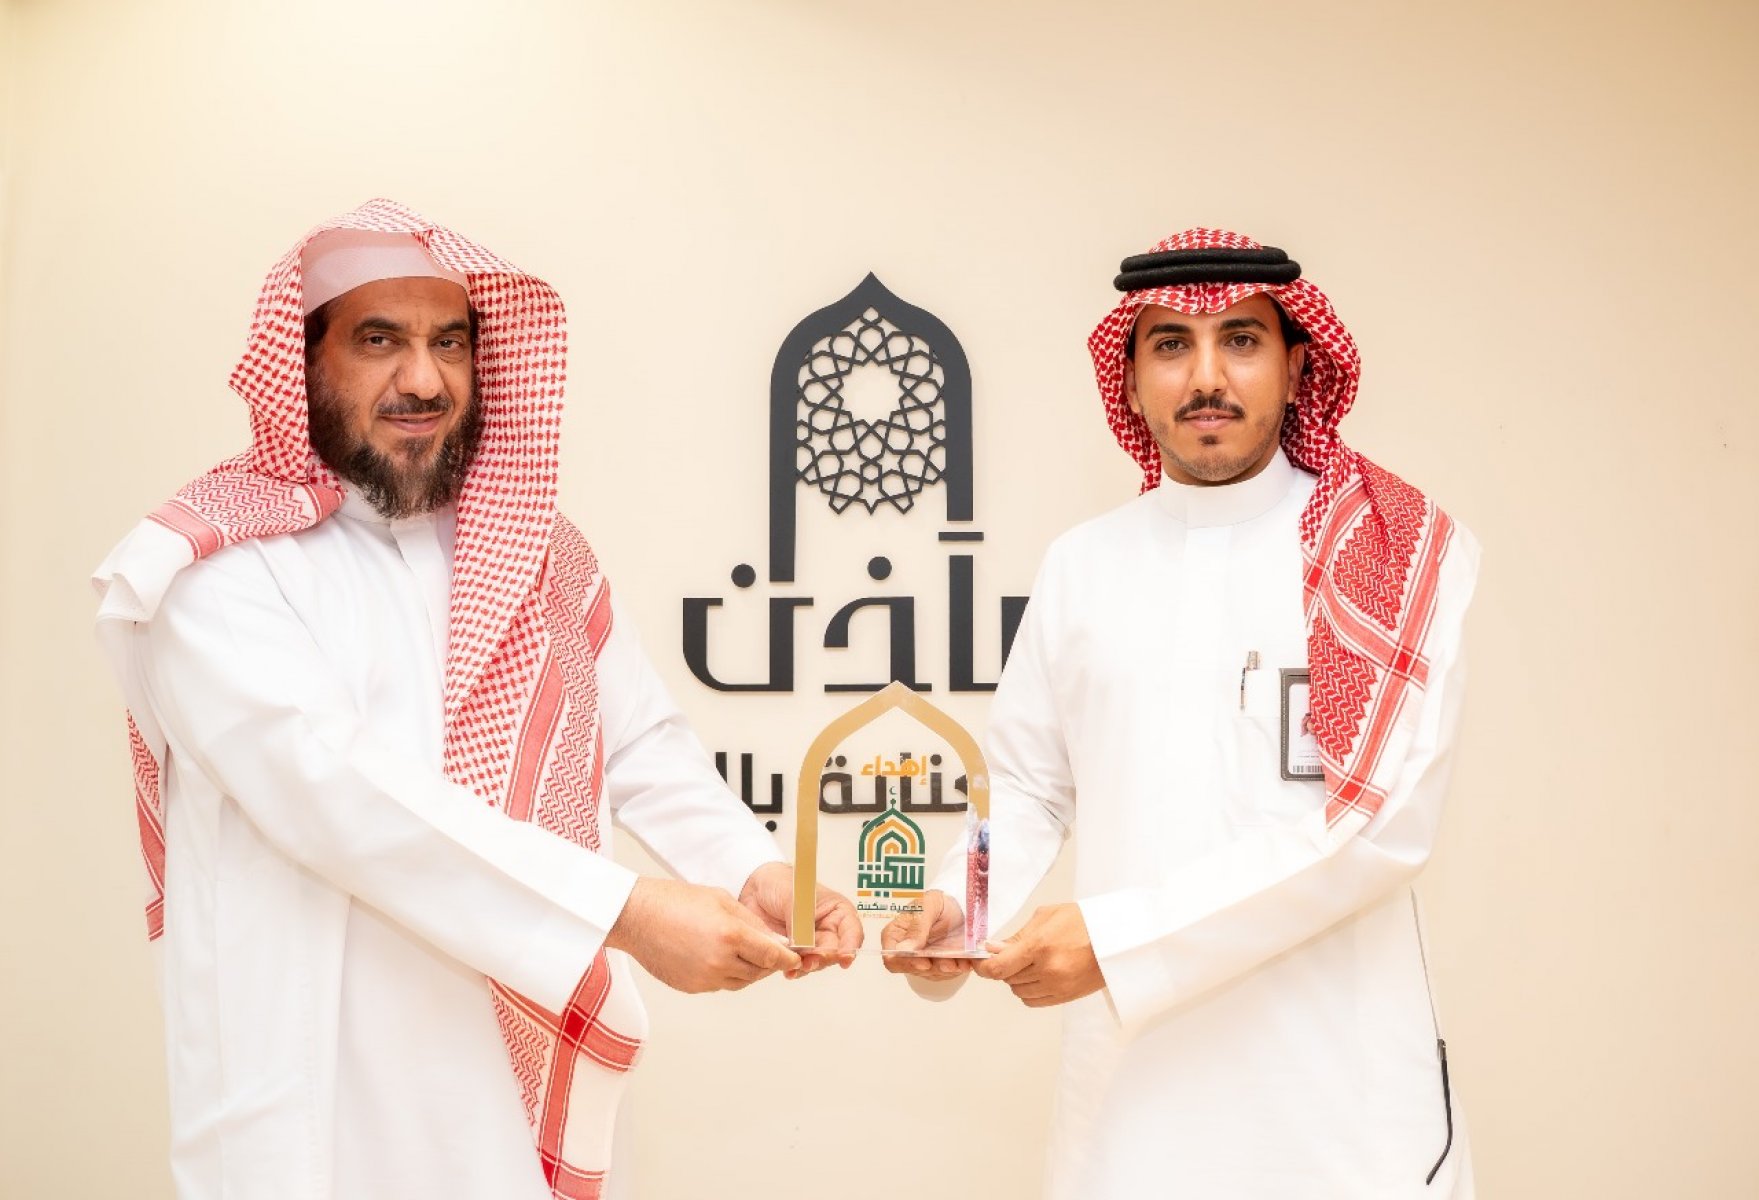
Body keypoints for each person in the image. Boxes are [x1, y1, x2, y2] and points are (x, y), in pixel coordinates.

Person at [92, 199, 859, 1200]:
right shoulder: (214, 573)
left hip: (510, 1048)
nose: (424, 379)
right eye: (380, 341)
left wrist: (751, 869)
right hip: (317, 1073)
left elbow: (639, 742)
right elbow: (345, 800)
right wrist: (626, 913)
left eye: (449, 342)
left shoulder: (534, 549)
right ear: (305, 360)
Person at [884, 229, 1479, 1197]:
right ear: (1127, 379)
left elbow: (1380, 832)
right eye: (1171, 345)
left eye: (1239, 339)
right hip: (1134, 1103)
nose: (1207, 377)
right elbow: (1029, 791)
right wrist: (960, 902)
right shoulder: (1082, 565)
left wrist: (1116, 943)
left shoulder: (1388, 554)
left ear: (1297, 367)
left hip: (1340, 1106)